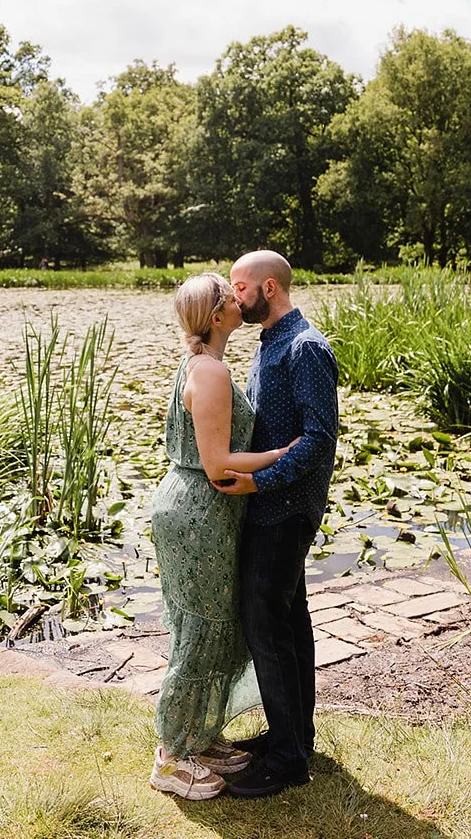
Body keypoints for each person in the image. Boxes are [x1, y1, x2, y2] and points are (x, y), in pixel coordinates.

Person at [147, 272, 300, 800]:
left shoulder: (206, 364)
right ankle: (170, 756)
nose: (241, 300)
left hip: (203, 511)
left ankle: (198, 736)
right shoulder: (209, 372)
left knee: (212, 624)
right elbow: (217, 464)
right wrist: (283, 456)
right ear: (216, 318)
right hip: (199, 514)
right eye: (229, 297)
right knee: (200, 631)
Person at [213, 250, 339, 799]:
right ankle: (294, 736)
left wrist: (259, 483)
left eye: (239, 288)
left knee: (267, 626)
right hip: (271, 506)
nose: (232, 297)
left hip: (285, 509)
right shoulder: (271, 345)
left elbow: (318, 438)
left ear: (268, 287)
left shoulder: (306, 347)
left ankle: (288, 760)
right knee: (289, 625)